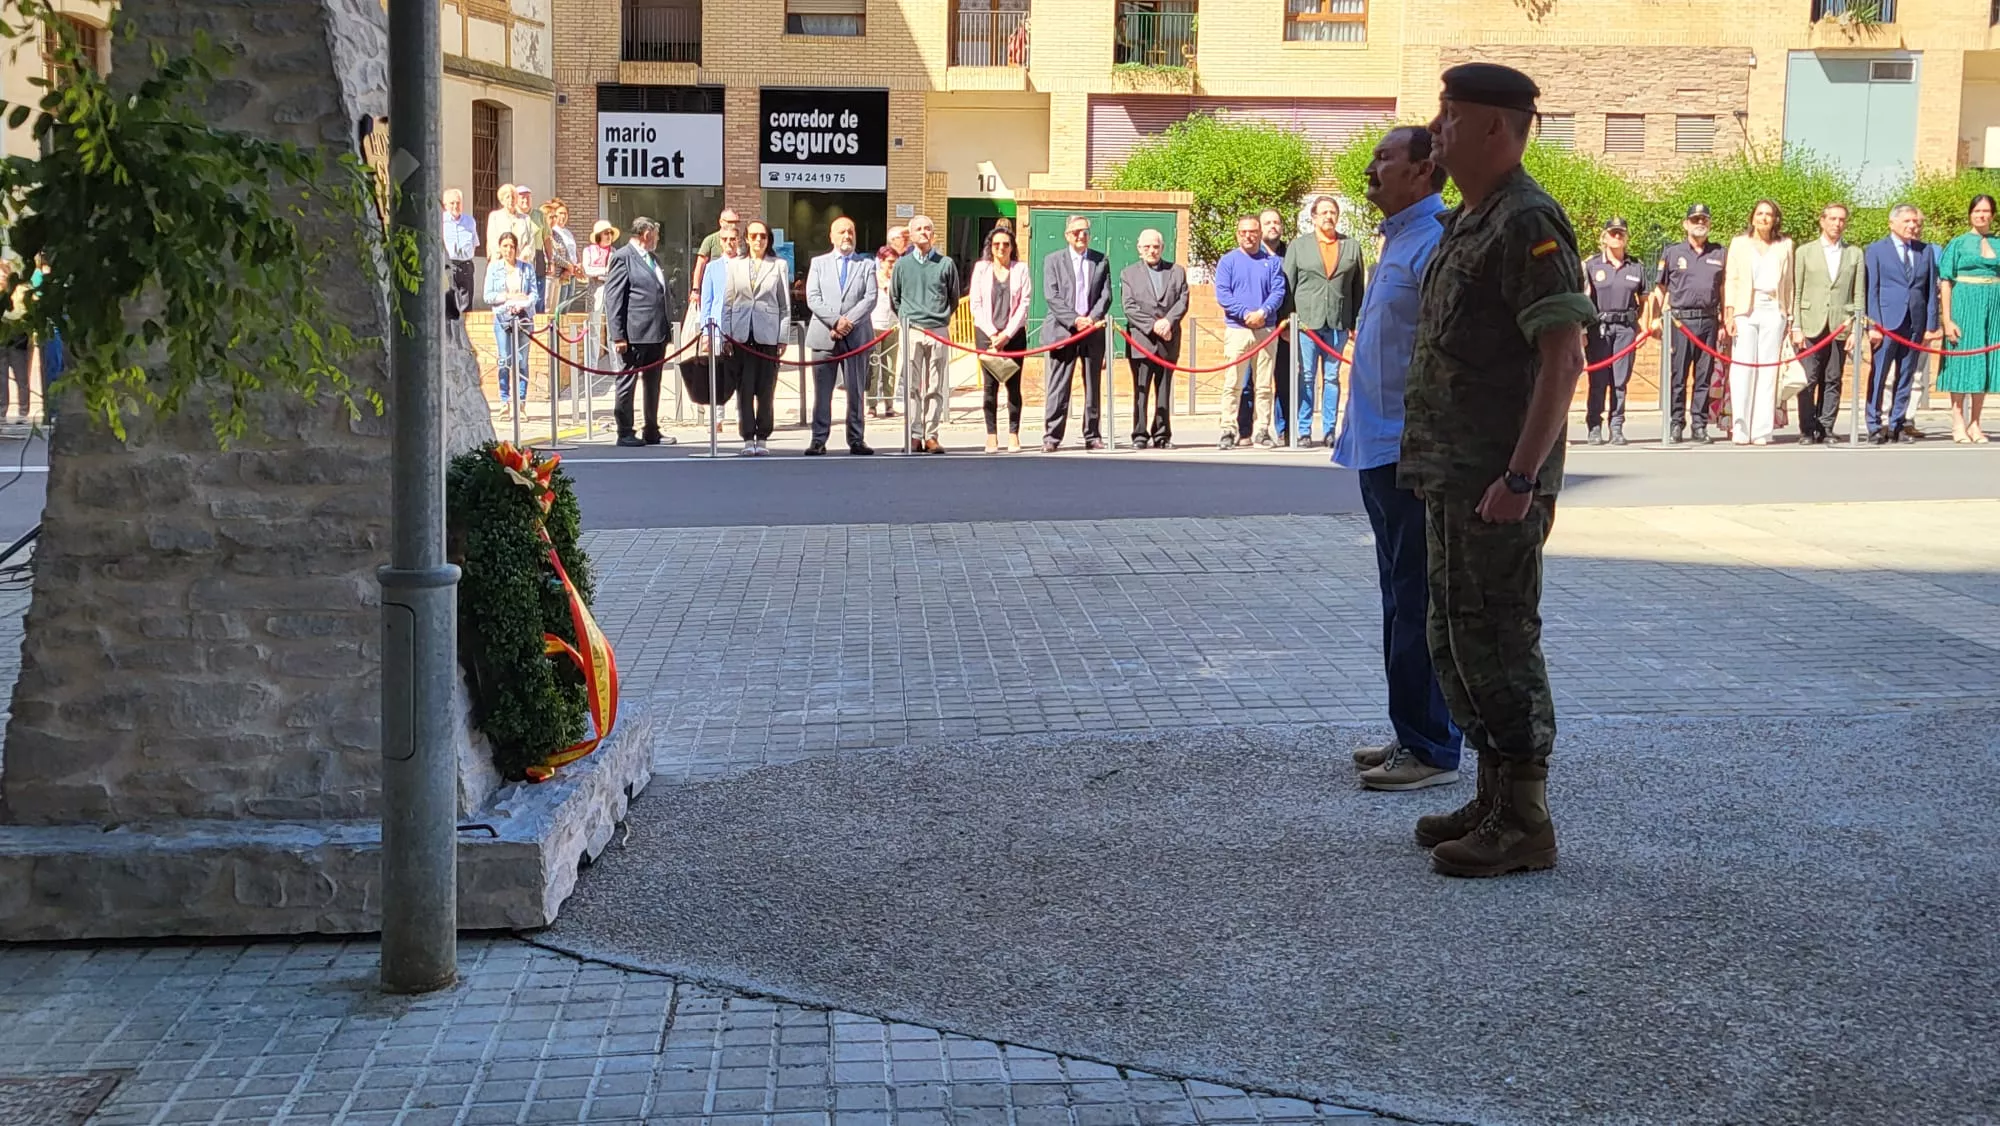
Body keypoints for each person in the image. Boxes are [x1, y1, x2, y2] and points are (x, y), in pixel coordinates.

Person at [1402, 63, 1594, 877]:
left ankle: (1526, 819)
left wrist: (1520, 478)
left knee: (1501, 638)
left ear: (1493, 128)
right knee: (1456, 633)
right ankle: (1491, 792)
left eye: (1448, 117)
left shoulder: (1527, 221)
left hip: (1496, 483)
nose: (1435, 131)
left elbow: (1564, 357)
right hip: (1454, 475)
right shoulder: (1471, 221)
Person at [1338, 126, 1464, 792]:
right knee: (1398, 598)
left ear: (1424, 171)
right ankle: (1412, 729)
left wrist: (1429, 455)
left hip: (1411, 457)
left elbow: (1445, 360)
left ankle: (1433, 747)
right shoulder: (1399, 241)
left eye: (1385, 158)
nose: (1371, 167)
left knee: (1418, 601)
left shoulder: (1435, 243)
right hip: (1379, 449)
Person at [1282, 195, 1364, 448]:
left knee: (1331, 378)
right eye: (1324, 212)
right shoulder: (1299, 246)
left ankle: (1329, 431)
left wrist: (1356, 323)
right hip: (1307, 323)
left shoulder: (1351, 246)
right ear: (1314, 217)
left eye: (1333, 212)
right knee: (1306, 376)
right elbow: (1288, 284)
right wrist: (1285, 321)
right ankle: (1303, 430)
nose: (1329, 216)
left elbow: (1357, 288)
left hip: (1338, 322)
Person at [1864, 204, 1942, 444]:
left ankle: (1897, 423)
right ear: (1892, 224)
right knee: (1879, 374)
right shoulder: (1876, 250)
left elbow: (1929, 290)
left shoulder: (1925, 251)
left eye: (1915, 222)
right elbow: (1872, 290)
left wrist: (1930, 324)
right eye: (1907, 221)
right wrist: (1873, 325)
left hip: (1914, 323)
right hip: (1887, 323)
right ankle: (1875, 424)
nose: (1912, 226)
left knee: (1906, 375)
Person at [1790, 202, 1865, 445]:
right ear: (1822, 221)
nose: (1837, 224)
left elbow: (1858, 294)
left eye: (1841, 219)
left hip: (1840, 325)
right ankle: (1807, 429)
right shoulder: (1804, 252)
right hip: (1811, 323)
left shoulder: (1854, 253)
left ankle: (1826, 427)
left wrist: (1856, 327)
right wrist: (1796, 326)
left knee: (1833, 378)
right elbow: (1797, 291)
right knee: (1808, 379)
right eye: (1832, 219)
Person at [1723, 200, 1795, 446]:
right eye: (1760, 214)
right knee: (1743, 369)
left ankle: (1762, 429)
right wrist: (1729, 314)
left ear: (1775, 219)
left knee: (1768, 370)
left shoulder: (1785, 245)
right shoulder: (1739, 244)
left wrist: (1789, 315)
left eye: (1769, 214)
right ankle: (1740, 426)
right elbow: (1731, 279)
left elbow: (1789, 283)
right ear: (1752, 217)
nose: (1764, 218)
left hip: (1773, 309)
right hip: (1746, 310)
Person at [1655, 202, 1728, 444]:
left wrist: (1725, 321)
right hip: (1680, 322)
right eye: (1695, 219)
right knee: (1678, 376)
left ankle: (1699, 424)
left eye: (1704, 219)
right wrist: (1656, 318)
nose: (1700, 223)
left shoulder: (1719, 253)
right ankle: (1676, 423)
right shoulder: (1673, 253)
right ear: (1685, 224)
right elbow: (1660, 288)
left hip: (1708, 321)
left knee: (1704, 377)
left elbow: (1723, 288)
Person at [605, 216, 681, 447]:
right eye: (656, 234)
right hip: (634, 332)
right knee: (627, 381)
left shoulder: (653, 258)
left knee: (653, 381)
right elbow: (614, 297)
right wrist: (618, 334)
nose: (658, 238)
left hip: (656, 332)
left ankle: (651, 428)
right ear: (647, 234)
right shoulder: (622, 257)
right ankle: (625, 430)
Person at [805, 216, 878, 456]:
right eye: (841, 232)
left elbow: (870, 298)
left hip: (856, 337)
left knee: (856, 392)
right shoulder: (818, 263)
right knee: (822, 393)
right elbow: (813, 297)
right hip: (825, 335)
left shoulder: (866, 265)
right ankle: (818, 440)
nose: (846, 236)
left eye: (850, 231)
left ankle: (856, 439)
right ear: (832, 236)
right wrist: (835, 321)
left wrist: (848, 322)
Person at [1212, 215, 1286, 449]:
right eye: (1243, 232)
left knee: (1263, 385)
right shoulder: (1228, 261)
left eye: (1253, 231)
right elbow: (1223, 294)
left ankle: (1262, 430)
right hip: (1238, 330)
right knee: (1232, 383)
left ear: (1259, 233)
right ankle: (1228, 428)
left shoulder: (1272, 262)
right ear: (1237, 234)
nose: (1248, 236)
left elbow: (1278, 291)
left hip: (1266, 329)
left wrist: (1263, 312)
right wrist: (1245, 314)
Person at [1040, 214, 1111, 452]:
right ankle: (1052, 436)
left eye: (1085, 231)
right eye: (1076, 231)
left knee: (1093, 384)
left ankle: (1092, 435)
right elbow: (1052, 296)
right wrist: (1074, 320)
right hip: (1062, 330)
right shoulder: (1053, 260)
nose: (1081, 235)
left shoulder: (1101, 260)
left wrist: (1091, 319)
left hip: (1092, 331)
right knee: (1058, 386)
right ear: (1067, 235)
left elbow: (1105, 295)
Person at [889, 216, 961, 454]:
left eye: (928, 228)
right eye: (919, 229)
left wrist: (940, 318)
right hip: (912, 329)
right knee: (911, 385)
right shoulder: (901, 265)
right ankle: (914, 434)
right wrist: (907, 319)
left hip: (938, 329)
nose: (924, 232)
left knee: (935, 384)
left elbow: (953, 298)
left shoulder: (946, 264)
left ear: (933, 234)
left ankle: (931, 434)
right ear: (910, 234)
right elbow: (895, 299)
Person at [724, 220, 792, 456]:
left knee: (765, 389)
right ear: (746, 239)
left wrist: (783, 336)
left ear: (768, 239)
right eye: (753, 236)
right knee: (744, 387)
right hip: (741, 334)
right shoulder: (735, 266)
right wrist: (726, 335)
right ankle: (746, 437)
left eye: (762, 236)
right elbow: (728, 303)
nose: (758, 241)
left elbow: (785, 306)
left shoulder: (779, 265)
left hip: (768, 335)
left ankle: (762, 437)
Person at [1936, 195, 2000, 444]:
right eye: (1977, 211)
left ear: (1992, 215)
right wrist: (1947, 319)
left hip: (1993, 309)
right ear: (1970, 214)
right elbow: (1946, 281)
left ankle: (1976, 423)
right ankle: (1958, 422)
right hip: (1965, 305)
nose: (1982, 215)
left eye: (1986, 211)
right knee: (1962, 364)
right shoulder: (1959, 243)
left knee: (1984, 364)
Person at [1119, 228, 1189, 450]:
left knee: (1164, 389)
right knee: (1141, 389)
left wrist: (1168, 322)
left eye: (1156, 246)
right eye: (1147, 247)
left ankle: (1162, 434)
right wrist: (1153, 326)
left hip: (1169, 338)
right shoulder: (1128, 274)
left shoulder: (1177, 271)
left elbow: (1183, 300)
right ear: (1139, 249)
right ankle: (1139, 434)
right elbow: (1129, 307)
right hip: (1142, 340)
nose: (1152, 250)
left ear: (1162, 248)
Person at [1581, 217, 1645, 445]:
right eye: (1613, 233)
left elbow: (1644, 299)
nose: (1617, 237)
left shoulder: (1636, 266)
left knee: (1620, 381)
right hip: (1599, 328)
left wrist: (1640, 326)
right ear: (1605, 237)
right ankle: (1594, 426)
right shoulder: (1592, 265)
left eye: (1621, 234)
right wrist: (1582, 331)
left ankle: (1616, 426)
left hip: (1625, 328)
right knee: (1597, 380)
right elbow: (1585, 299)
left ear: (1626, 237)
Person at [970, 225, 1032, 453]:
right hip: (987, 336)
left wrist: (1007, 334)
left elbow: (1024, 304)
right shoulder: (981, 269)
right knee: (989, 387)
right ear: (991, 247)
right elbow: (975, 305)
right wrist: (993, 334)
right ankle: (991, 435)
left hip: (1013, 336)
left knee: (1013, 387)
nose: (1001, 248)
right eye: (997, 244)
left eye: (1006, 244)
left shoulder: (1021, 269)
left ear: (1012, 247)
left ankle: (1014, 434)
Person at [1254, 207, 1299, 444]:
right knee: (1251, 382)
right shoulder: (1250, 254)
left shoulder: (1292, 253)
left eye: (1276, 222)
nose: (1273, 226)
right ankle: (1246, 429)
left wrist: (1291, 320)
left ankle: (1284, 429)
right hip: (1257, 327)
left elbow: (1297, 290)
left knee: (1284, 380)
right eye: (1268, 222)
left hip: (1284, 327)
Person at [482, 231, 538, 405]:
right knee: (504, 359)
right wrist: (507, 296)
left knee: (522, 360)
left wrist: (524, 302)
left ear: (516, 248)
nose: (508, 250)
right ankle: (504, 401)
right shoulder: (494, 268)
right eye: (505, 246)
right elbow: (488, 296)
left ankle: (521, 401)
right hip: (503, 317)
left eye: (512, 246)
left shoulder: (527, 268)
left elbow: (534, 294)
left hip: (523, 318)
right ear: (500, 248)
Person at [868, 245, 901, 418]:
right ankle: (872, 404)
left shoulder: (897, 279)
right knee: (873, 367)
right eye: (890, 262)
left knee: (890, 367)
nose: (893, 266)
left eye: (895, 262)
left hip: (892, 326)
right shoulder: (872, 278)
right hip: (874, 325)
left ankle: (889, 404)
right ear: (881, 261)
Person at [0, 257, 30, 425]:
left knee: (21, 377)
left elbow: (23, 313)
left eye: (3, 276)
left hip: (18, 339)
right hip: (2, 340)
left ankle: (23, 412)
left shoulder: (20, 291)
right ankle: (2, 413)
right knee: (1, 378)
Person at [441, 188, 479, 322]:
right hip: (448, 265)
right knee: (450, 302)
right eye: (452, 203)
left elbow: (474, 243)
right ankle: (451, 338)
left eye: (458, 203)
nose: (455, 206)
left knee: (466, 304)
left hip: (466, 265)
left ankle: (464, 334)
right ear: (445, 205)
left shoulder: (470, 221)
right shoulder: (440, 222)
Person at [691, 208, 740, 306]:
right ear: (721, 222)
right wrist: (695, 290)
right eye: (730, 222)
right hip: (716, 285)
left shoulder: (740, 240)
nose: (734, 225)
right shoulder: (711, 240)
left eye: (736, 222)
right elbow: (700, 265)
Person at [542, 197, 579, 312]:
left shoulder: (566, 233)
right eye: (559, 214)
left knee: (566, 304)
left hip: (570, 272)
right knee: (555, 307)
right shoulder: (551, 232)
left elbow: (570, 252)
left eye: (565, 213)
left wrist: (575, 266)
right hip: (557, 273)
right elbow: (553, 254)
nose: (562, 216)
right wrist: (567, 267)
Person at [484, 183, 519, 265]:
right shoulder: (495, 216)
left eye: (513, 197)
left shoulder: (525, 219)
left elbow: (529, 243)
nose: (511, 200)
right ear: (502, 200)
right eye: (507, 197)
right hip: (499, 260)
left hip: (519, 262)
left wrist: (518, 257)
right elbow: (492, 238)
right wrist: (504, 254)